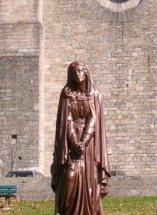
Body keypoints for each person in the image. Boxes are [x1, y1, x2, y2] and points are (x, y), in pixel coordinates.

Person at [51, 61, 110, 215]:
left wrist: (84, 141)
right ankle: (65, 210)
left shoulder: (94, 94)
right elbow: (66, 119)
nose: (78, 74)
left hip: (89, 144)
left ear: (86, 72)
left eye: (80, 70)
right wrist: (75, 142)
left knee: (90, 179)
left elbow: (93, 118)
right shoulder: (67, 94)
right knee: (70, 175)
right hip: (72, 143)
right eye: (75, 71)